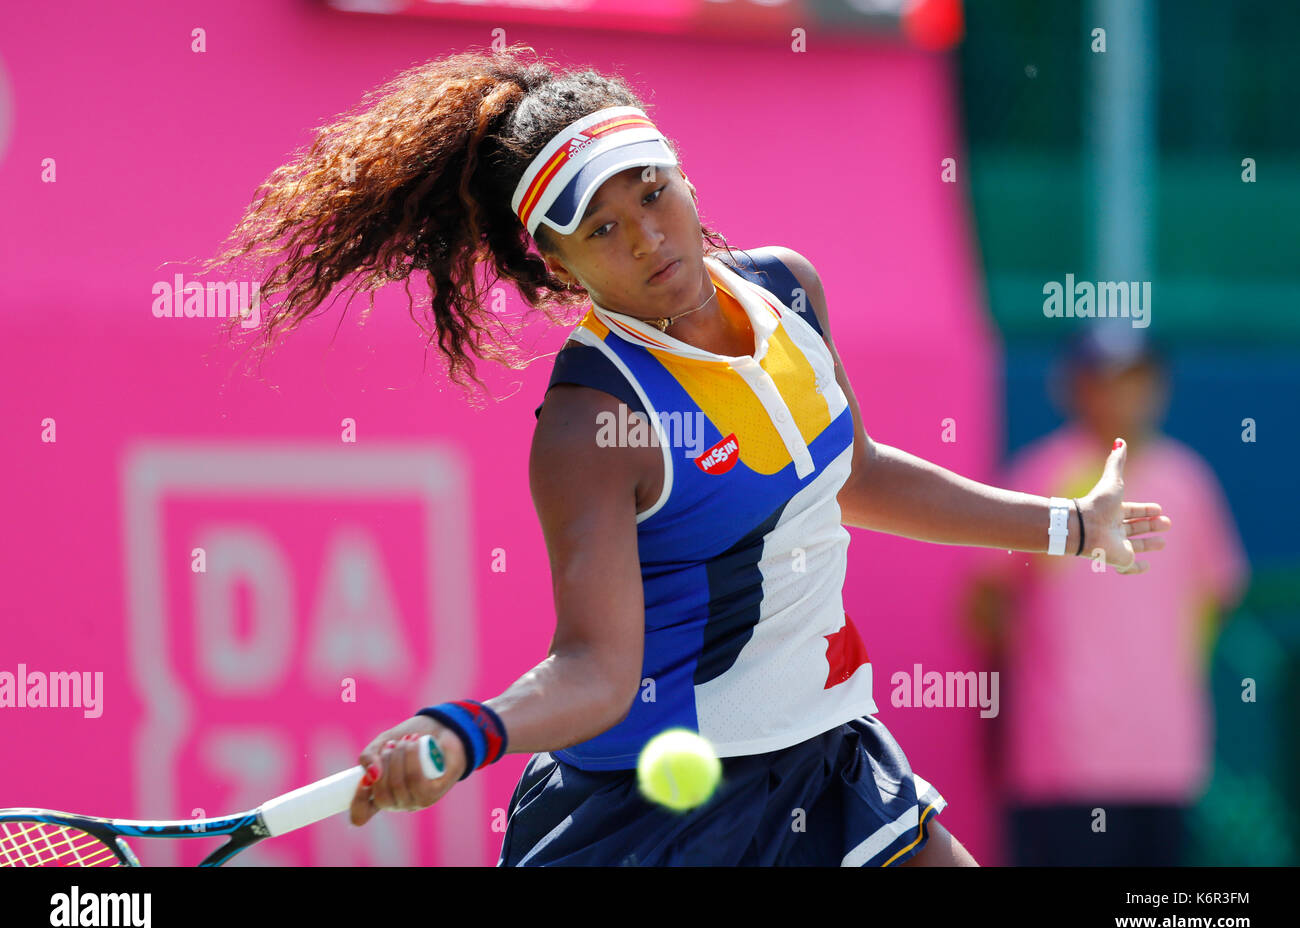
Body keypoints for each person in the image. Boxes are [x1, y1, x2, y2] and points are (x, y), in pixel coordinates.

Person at [202, 47, 1171, 866]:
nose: (648, 238)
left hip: (827, 751)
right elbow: (594, 667)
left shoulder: (787, 290)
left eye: (652, 193)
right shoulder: (590, 422)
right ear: (555, 263)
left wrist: (1070, 525)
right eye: (602, 231)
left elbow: (854, 475)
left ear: (682, 173)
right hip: (652, 819)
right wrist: (463, 731)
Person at [963, 325, 1249, 865]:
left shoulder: (1190, 483)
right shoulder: (1039, 474)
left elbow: (1217, 596)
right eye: (1102, 382)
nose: (1118, 397)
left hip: (1166, 761)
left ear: (1159, 388)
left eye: (1134, 381)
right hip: (1063, 763)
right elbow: (982, 606)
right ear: (1073, 388)